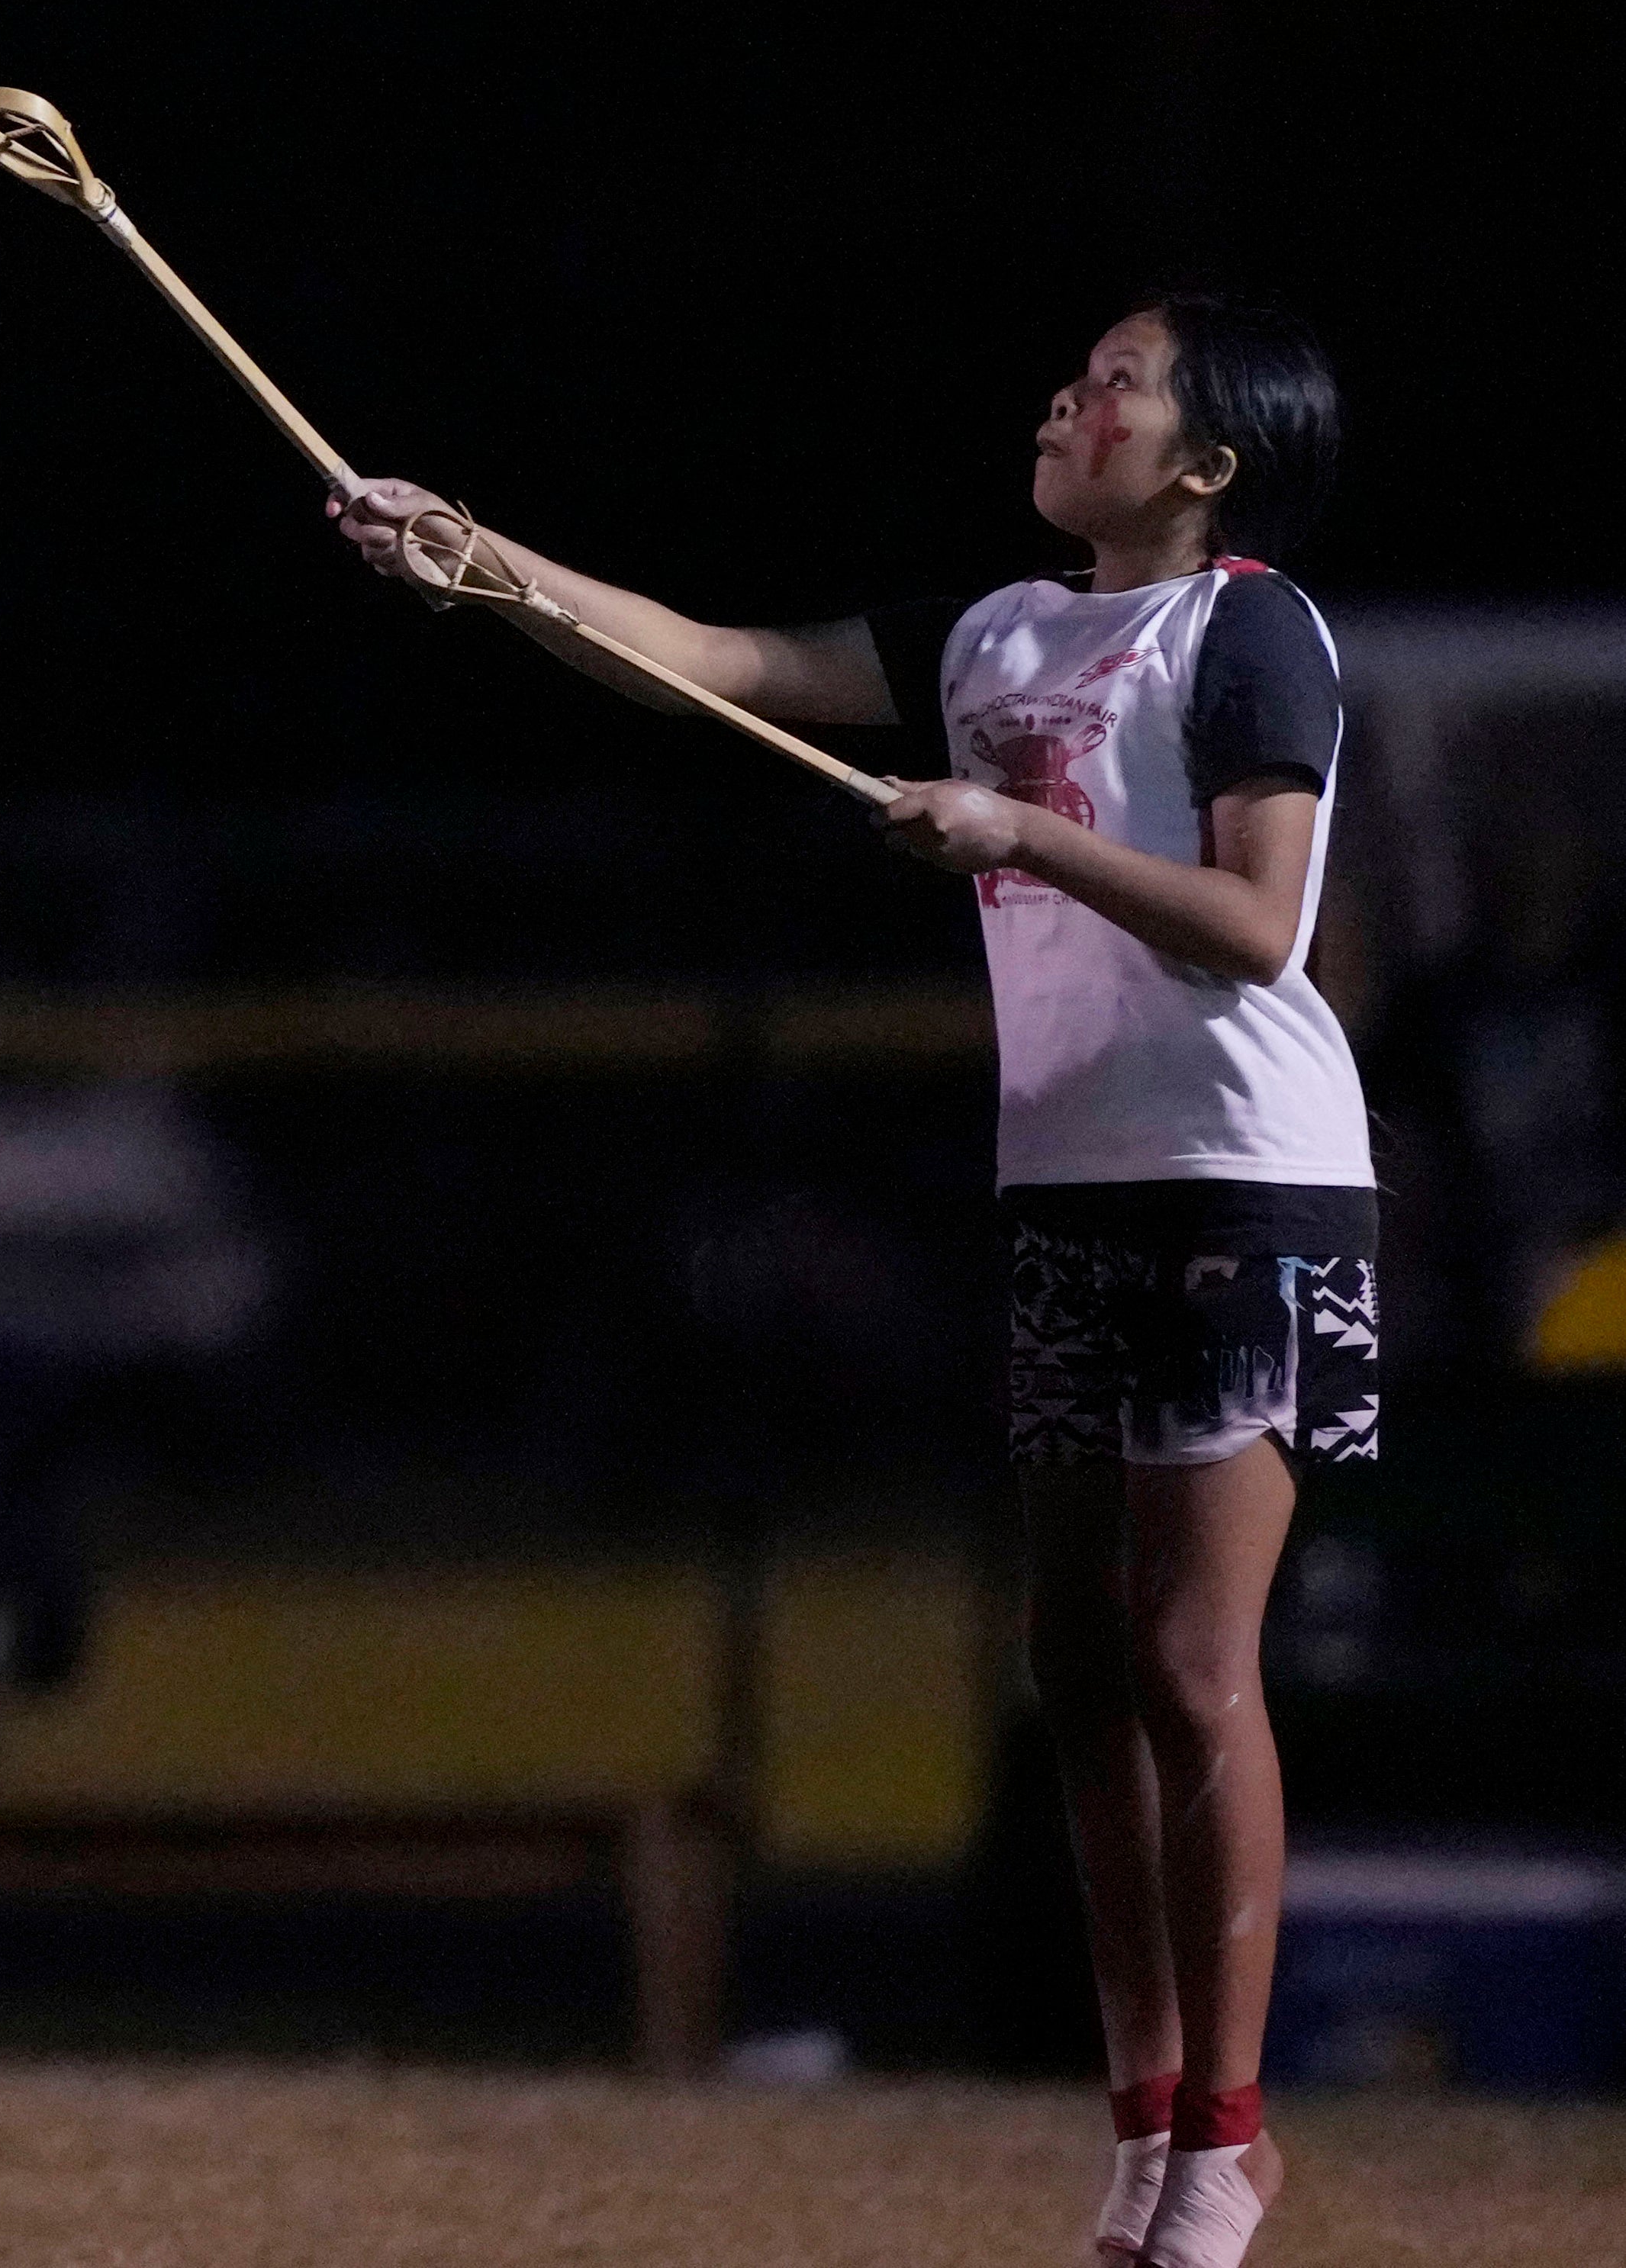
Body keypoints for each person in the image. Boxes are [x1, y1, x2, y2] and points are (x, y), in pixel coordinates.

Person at [326, 301, 1363, 2268]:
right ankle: (1143, 2119)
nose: (1068, 399)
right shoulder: (994, 635)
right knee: (1070, 1656)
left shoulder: (1247, 631)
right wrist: (477, 557)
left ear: (1208, 462)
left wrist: (1014, 835)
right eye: (1072, 371)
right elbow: (714, 665)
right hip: (1064, 1177)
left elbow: (1255, 923)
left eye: (1117, 384)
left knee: (1182, 1657)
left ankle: (1227, 2138)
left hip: (1243, 1176)